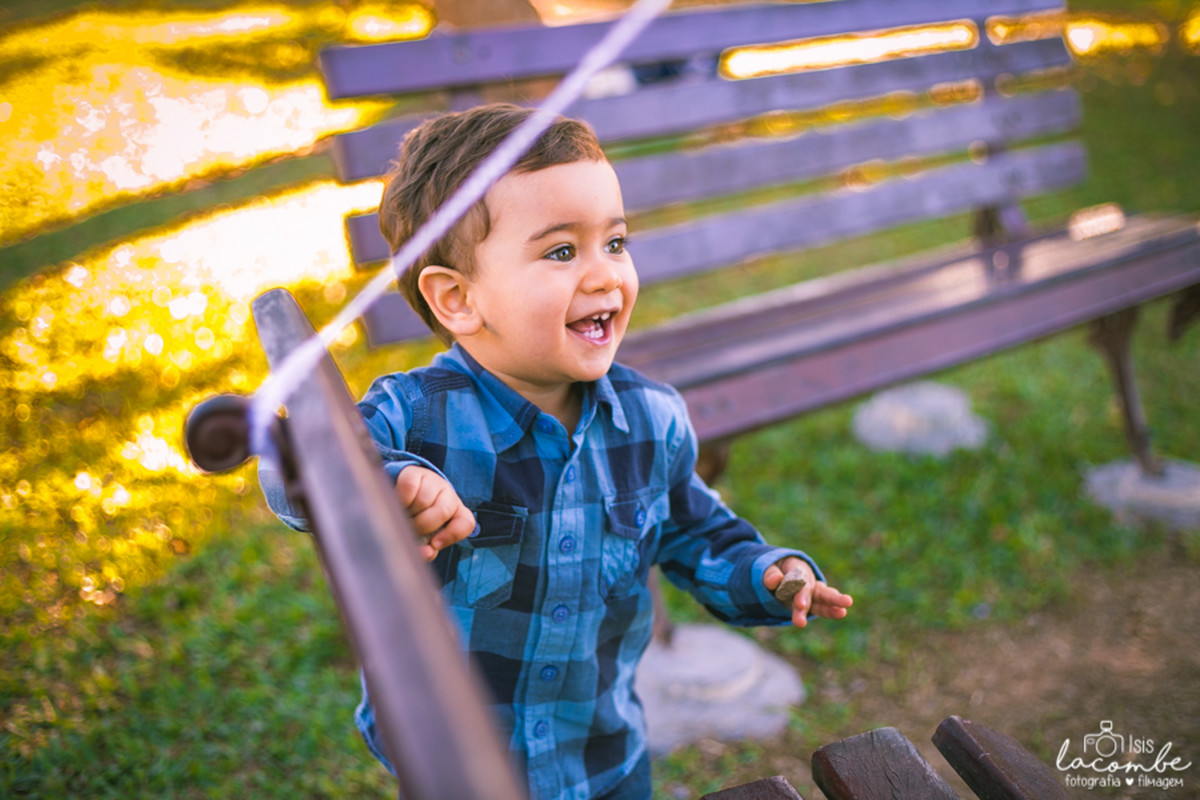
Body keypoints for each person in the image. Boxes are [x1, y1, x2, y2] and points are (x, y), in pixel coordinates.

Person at [262, 103, 852, 800]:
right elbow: (301, 466)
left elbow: (697, 531)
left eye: (617, 242)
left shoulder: (650, 420)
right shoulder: (416, 415)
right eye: (562, 251)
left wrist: (766, 573)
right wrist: (386, 481)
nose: (605, 276)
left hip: (605, 755)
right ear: (457, 299)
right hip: (460, 767)